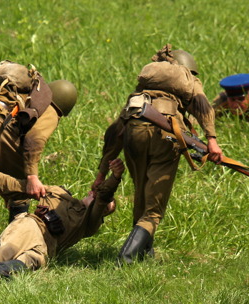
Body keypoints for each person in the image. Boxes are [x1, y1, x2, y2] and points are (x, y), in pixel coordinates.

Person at [94, 44, 223, 265]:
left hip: (134, 132)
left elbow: (115, 131)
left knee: (142, 192)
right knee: (154, 209)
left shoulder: (142, 91)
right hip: (165, 137)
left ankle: (145, 251)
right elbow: (202, 105)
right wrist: (212, 140)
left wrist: (101, 172)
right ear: (186, 71)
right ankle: (125, 259)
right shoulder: (188, 81)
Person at [0, 61, 78, 257]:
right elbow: (34, 139)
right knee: (19, 188)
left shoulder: (14, 95)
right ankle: (13, 244)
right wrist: (31, 176)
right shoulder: (50, 108)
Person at [0, 158, 125, 282]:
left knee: (28, 261)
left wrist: (115, 178)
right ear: (90, 192)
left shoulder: (89, 225)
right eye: (101, 197)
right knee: (2, 252)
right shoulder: (58, 193)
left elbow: (103, 197)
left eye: (106, 206)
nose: (101, 201)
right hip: (31, 226)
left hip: (46, 247)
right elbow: (14, 184)